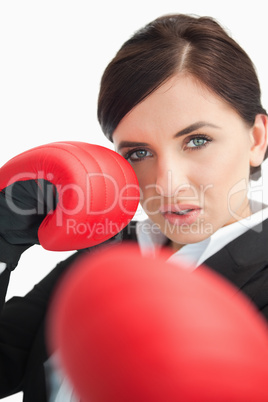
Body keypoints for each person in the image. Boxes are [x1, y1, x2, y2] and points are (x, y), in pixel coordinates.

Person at [0, 13, 267, 402]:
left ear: (257, 139)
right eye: (139, 152)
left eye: (197, 140)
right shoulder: (106, 253)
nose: (166, 184)